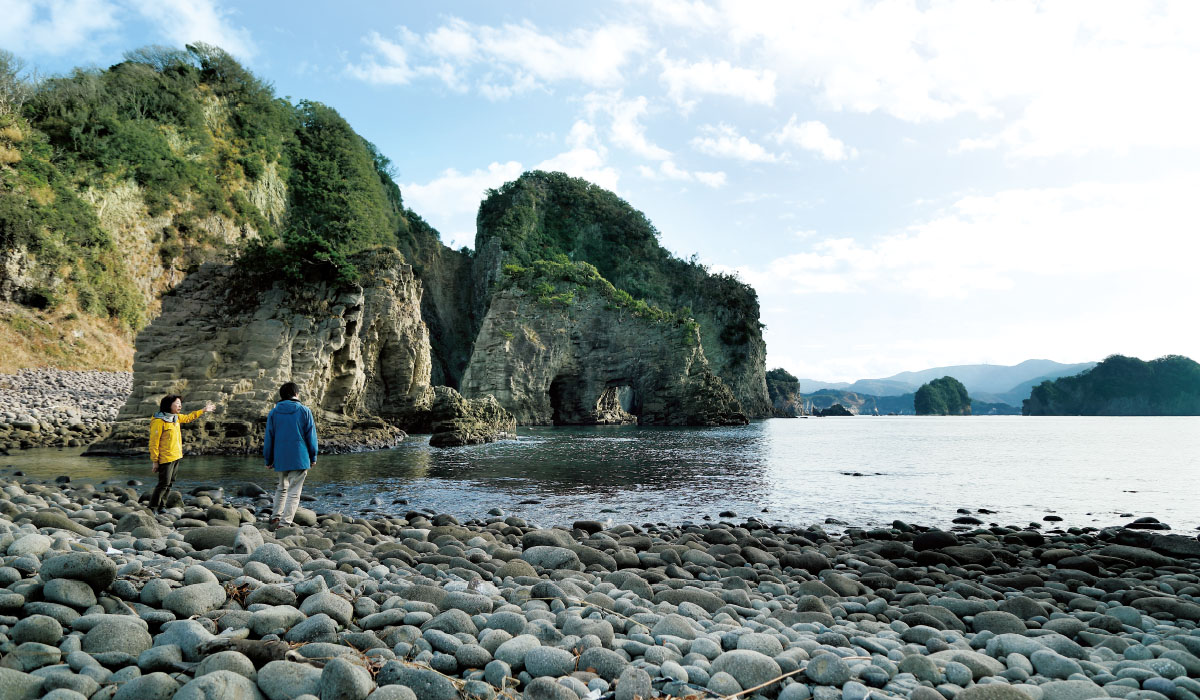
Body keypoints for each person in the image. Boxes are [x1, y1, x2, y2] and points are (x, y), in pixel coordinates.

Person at [264, 381, 317, 529]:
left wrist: (268, 459)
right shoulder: (305, 411)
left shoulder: (273, 412)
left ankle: (275, 518)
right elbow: (311, 438)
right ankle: (284, 523)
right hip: (300, 457)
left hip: (280, 458)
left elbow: (269, 437)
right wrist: (313, 457)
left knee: (281, 487)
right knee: (294, 492)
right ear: (296, 394)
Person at [149, 395, 216, 512]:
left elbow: (189, 417)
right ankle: (152, 507)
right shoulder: (159, 421)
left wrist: (203, 410)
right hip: (165, 458)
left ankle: (162, 506)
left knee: (170, 483)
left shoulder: (176, 418)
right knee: (163, 484)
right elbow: (154, 443)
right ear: (168, 405)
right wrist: (155, 461)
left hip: (176, 456)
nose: (180, 406)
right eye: (177, 403)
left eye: (180, 403)